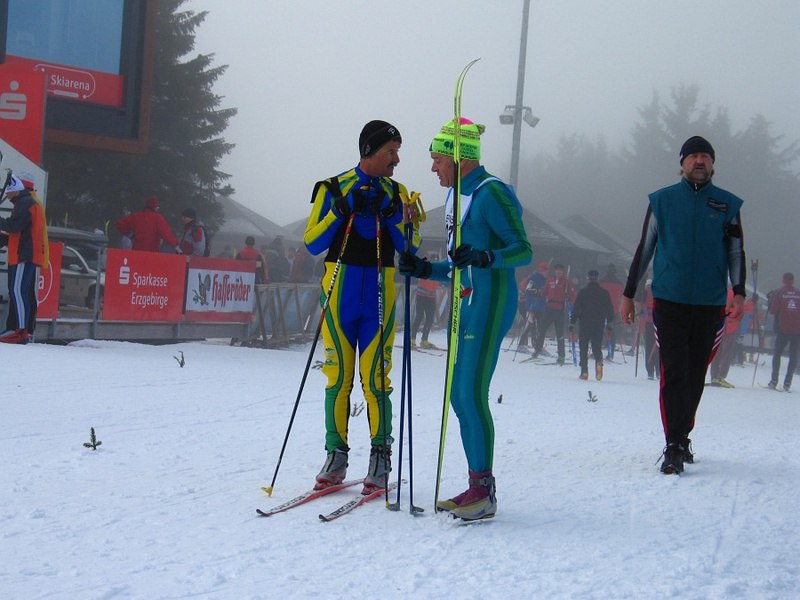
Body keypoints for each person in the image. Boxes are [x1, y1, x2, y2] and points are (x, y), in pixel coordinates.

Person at [400, 117, 531, 520]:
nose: (433, 168)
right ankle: (476, 485)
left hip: (492, 303)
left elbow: (522, 250)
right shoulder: (458, 197)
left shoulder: (491, 193)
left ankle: (484, 492)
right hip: (468, 303)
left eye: (438, 159)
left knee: (471, 395)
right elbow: (459, 265)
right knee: (459, 396)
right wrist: (425, 269)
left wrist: (486, 256)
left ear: (461, 158)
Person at [304, 119, 417, 495]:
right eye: (391, 152)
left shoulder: (399, 193)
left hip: (380, 297)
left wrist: (393, 214)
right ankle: (335, 456)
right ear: (369, 150)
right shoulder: (333, 187)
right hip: (340, 293)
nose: (396, 159)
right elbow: (312, 242)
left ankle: (381, 457)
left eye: (397, 152)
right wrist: (340, 209)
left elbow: (411, 247)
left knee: (376, 381)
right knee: (338, 378)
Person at [621, 135, 746, 474]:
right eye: (693, 156)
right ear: (682, 163)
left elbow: (736, 252)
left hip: (709, 303)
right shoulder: (662, 201)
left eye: (705, 155)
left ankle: (682, 435)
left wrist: (739, 293)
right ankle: (673, 443)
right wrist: (629, 294)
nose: (699, 161)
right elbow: (645, 248)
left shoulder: (727, 205)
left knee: (694, 374)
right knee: (674, 371)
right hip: (669, 301)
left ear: (713, 163)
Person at [0, 175, 47, 344]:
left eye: (8, 191)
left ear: (15, 190)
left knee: (18, 291)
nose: (7, 195)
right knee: (20, 292)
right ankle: (21, 329)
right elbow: (19, 231)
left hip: (24, 255)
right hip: (24, 254)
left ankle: (21, 330)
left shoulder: (25, 204)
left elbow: (14, 226)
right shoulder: (27, 203)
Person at [570, 270, 615, 381]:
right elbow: (610, 309)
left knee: (583, 347)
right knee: (596, 346)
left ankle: (584, 371)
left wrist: (572, 322)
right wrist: (610, 322)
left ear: (588, 278)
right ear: (597, 279)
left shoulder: (582, 292)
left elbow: (576, 308)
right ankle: (598, 361)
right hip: (599, 323)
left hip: (584, 323)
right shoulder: (604, 293)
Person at [534, 263, 576, 364]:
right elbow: (544, 292)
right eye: (557, 270)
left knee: (559, 334)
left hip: (559, 310)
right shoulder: (550, 281)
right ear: (555, 271)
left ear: (563, 272)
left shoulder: (566, 282)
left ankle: (561, 355)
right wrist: (536, 293)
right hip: (549, 309)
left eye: (560, 271)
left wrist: (571, 299)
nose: (558, 272)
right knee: (542, 330)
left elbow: (572, 295)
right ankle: (537, 350)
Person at [767, 272, 800, 391]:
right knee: (793, 356)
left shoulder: (779, 292)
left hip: (782, 329)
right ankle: (787, 383)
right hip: (797, 330)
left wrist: (769, 300)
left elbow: (773, 310)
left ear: (783, 280)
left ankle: (774, 381)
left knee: (777, 354)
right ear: (793, 280)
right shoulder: (798, 293)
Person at [115, 196, 180, 253]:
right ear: (155, 207)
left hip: (137, 251)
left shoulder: (136, 217)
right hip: (152, 252)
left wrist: (130, 235)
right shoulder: (158, 218)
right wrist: (176, 246)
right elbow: (166, 233)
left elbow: (119, 224)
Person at [708, 289, 744, 388]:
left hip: (719, 326)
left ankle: (714, 376)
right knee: (727, 353)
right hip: (730, 327)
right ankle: (721, 376)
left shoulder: (720, 292)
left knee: (717, 352)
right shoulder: (736, 295)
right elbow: (739, 311)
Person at [410, 253, 440, 348]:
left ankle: (424, 340)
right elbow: (422, 281)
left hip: (431, 297)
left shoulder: (437, 271)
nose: (435, 262)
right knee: (419, 317)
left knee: (430, 318)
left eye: (436, 260)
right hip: (422, 296)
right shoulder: (425, 268)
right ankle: (412, 339)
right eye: (434, 260)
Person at [518, 261, 549, 350]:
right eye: (545, 270)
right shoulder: (534, 278)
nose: (547, 273)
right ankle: (521, 344)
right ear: (541, 270)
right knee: (529, 325)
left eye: (547, 271)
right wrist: (537, 292)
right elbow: (528, 290)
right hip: (532, 305)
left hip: (541, 306)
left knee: (540, 326)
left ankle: (537, 345)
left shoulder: (545, 280)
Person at [599, 264, 624, 359]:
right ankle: (611, 353)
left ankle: (597, 351)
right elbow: (621, 298)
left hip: (602, 309)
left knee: (599, 330)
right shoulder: (620, 284)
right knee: (612, 331)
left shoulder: (602, 282)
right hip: (614, 310)